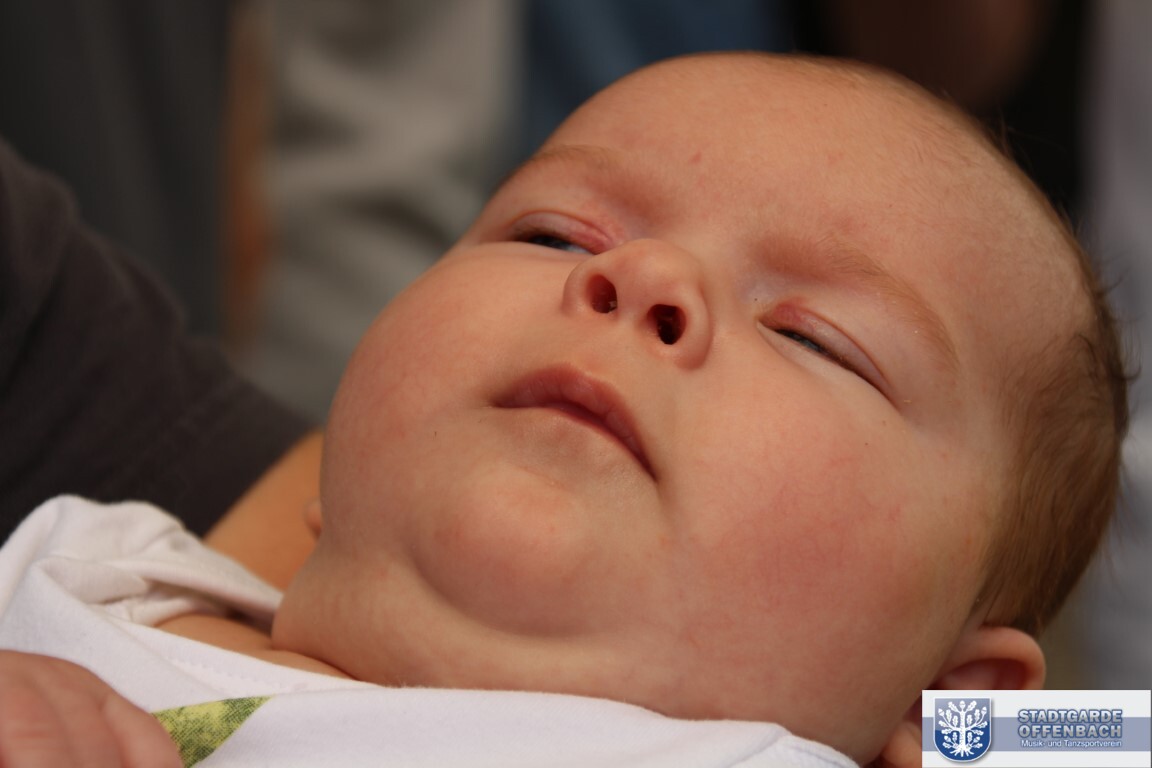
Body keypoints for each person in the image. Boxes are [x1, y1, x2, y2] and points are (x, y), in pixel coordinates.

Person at [0, 52, 1128, 768]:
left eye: (810, 336)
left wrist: (1009, 743)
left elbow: (1110, 738)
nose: (643, 278)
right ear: (330, 476)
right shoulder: (82, 566)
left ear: (952, 694)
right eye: (554, 235)